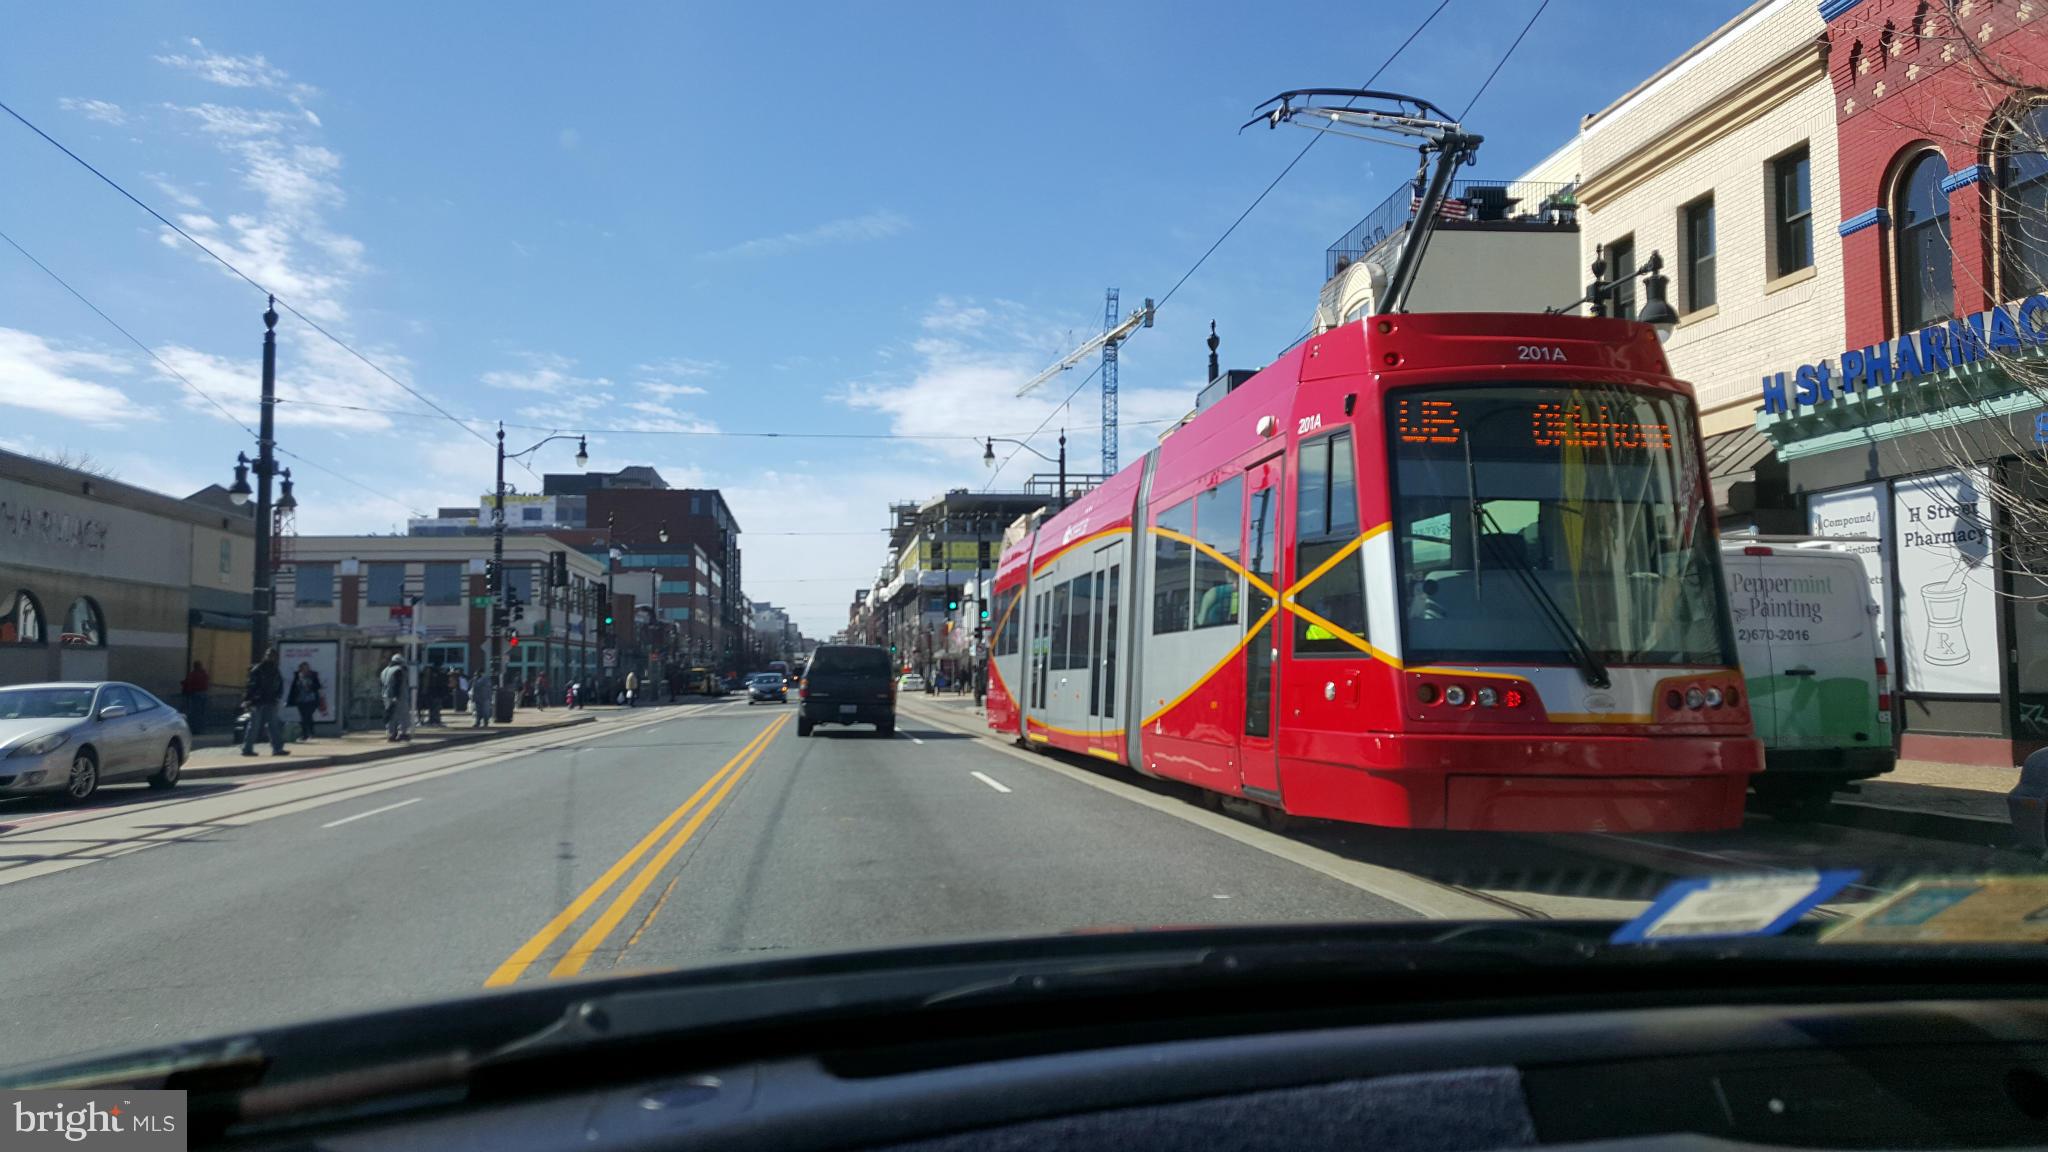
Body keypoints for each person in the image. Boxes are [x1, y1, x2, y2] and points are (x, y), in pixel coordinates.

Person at [240, 647, 288, 757]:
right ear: (265, 656)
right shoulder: (258, 669)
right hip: (257, 702)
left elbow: (279, 685)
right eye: (269, 655)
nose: (271, 657)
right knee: (255, 726)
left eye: (273, 655)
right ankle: (247, 748)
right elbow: (250, 686)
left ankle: (277, 748)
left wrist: (277, 697)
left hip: (270, 701)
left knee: (273, 725)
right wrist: (248, 700)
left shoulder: (275, 670)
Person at [286, 660, 322, 743]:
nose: (305, 669)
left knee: (308, 715)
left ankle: (309, 732)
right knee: (303, 717)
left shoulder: (312, 676)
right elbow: (294, 688)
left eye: (306, 668)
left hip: (311, 699)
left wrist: (311, 687)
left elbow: (318, 686)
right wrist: (290, 700)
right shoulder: (298, 676)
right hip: (300, 699)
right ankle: (306, 733)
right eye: (303, 668)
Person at [380, 654, 413, 742]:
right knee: (403, 714)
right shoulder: (399, 670)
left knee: (391, 715)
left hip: (386, 696)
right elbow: (397, 684)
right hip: (398, 696)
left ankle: (391, 734)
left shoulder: (385, 670)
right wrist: (395, 696)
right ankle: (403, 733)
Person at [180, 660, 210, 733]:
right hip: (204, 694)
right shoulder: (204, 674)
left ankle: (195, 729)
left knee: (195, 712)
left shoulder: (193, 674)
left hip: (196, 694)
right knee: (202, 712)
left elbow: (189, 683)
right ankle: (202, 729)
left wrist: (184, 685)